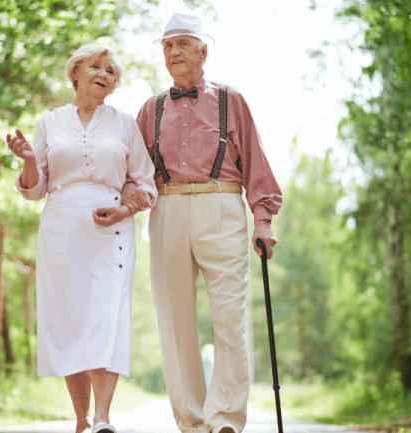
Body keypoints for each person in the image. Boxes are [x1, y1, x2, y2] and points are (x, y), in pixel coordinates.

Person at [124, 12, 282, 433]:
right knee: (174, 318)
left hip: (222, 206)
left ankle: (226, 417)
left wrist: (263, 219)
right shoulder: (150, 108)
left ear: (203, 51)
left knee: (230, 315)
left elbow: (257, 166)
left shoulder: (233, 101)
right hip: (168, 210)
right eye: (167, 46)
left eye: (182, 44)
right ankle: (192, 420)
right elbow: (134, 171)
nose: (174, 52)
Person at [7, 42, 157, 433]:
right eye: (96, 66)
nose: (104, 74)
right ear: (75, 72)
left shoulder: (124, 124)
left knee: (106, 317)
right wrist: (26, 160)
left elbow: (145, 181)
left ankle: (104, 418)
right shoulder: (50, 123)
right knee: (69, 319)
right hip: (61, 232)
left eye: (111, 71)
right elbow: (34, 188)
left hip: (112, 230)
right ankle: (81, 420)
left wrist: (126, 209)